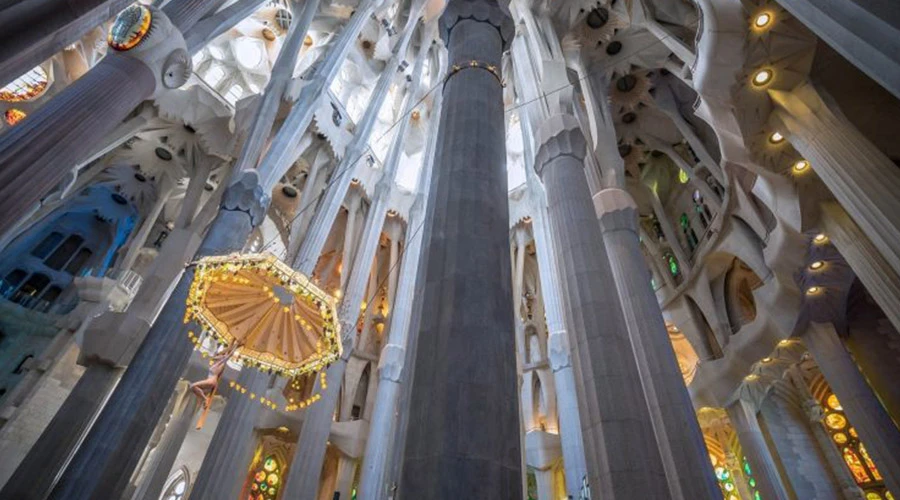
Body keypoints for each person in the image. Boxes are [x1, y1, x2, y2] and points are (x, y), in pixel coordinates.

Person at [190, 339, 241, 408]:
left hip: (211, 381)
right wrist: (234, 343)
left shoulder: (220, 363)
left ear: (221, 357)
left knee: (193, 386)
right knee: (194, 388)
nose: (217, 356)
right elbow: (224, 353)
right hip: (211, 381)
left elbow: (229, 355)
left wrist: (236, 346)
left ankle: (205, 399)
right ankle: (203, 400)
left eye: (219, 355)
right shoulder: (217, 363)